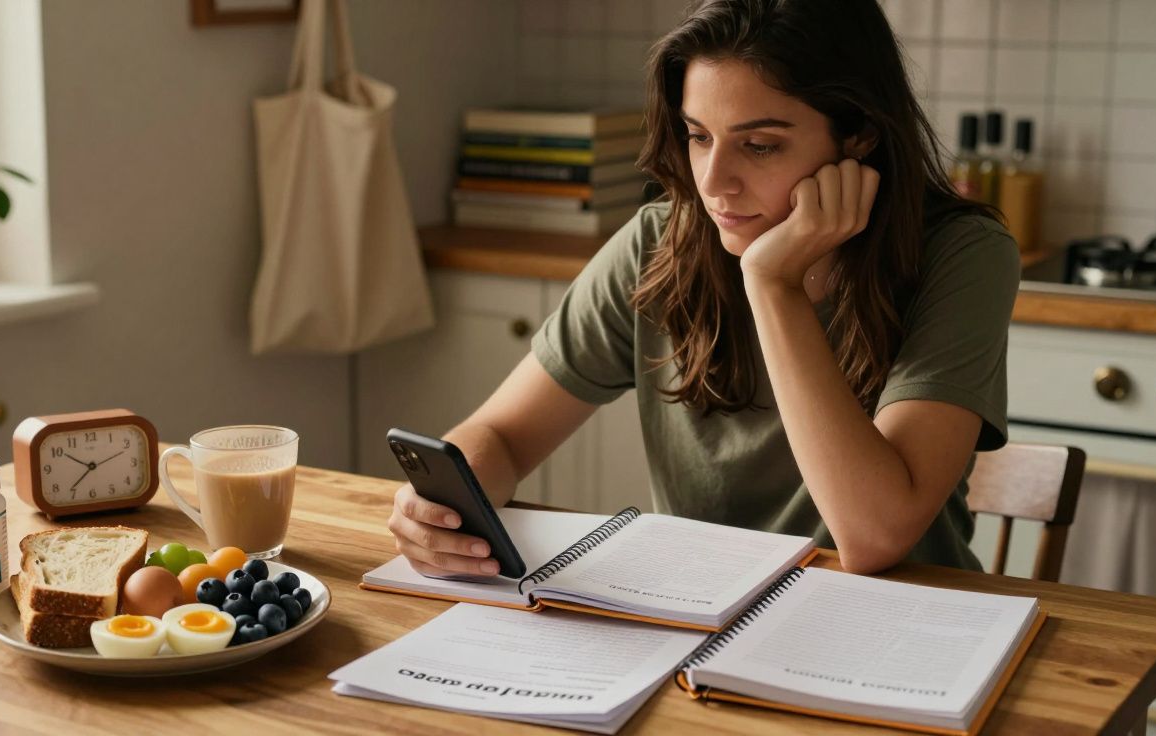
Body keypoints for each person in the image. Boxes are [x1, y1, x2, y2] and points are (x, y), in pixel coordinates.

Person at [388, 0, 1019, 577]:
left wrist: (773, 286)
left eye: (761, 145)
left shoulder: (962, 257)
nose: (715, 181)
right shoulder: (660, 242)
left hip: (903, 626)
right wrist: (442, 508)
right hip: (703, 622)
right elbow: (500, 435)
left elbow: (876, 537)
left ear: (859, 135)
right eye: (698, 136)